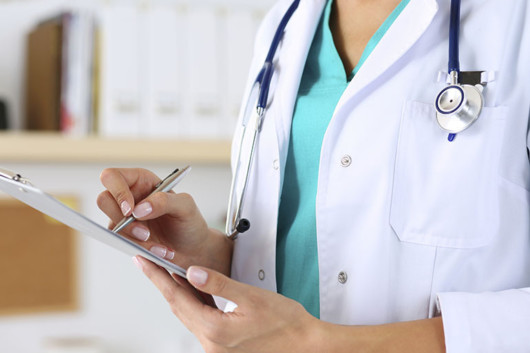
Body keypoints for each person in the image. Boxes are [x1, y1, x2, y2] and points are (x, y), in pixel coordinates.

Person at [97, 0, 530, 351]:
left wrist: (323, 343)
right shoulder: (281, 27)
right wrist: (212, 256)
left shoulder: (514, 21)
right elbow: (301, 256)